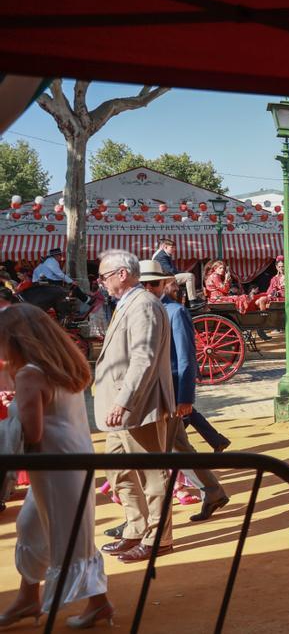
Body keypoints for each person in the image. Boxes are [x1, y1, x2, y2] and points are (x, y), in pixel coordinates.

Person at [0, 304, 114, 628]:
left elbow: (31, 432)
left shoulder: (29, 374)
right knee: (34, 526)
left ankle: (98, 603)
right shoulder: (61, 364)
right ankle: (28, 598)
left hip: (54, 466)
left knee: (69, 538)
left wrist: (10, 414)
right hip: (74, 459)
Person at [92, 249, 180, 564]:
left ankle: (159, 538)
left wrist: (124, 400)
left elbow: (142, 359)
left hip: (137, 406)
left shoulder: (143, 305)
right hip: (122, 407)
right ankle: (137, 527)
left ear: (122, 274)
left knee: (152, 474)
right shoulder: (131, 303)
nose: (100, 281)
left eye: (103, 275)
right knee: (118, 470)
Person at [140, 260, 231, 522]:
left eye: (153, 283)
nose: (148, 288)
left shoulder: (175, 312)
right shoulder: (152, 311)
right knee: (180, 447)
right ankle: (212, 492)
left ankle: (141, 516)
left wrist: (185, 397)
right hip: (156, 392)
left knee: (162, 451)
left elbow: (186, 358)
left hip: (169, 391)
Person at [151, 238, 200, 305]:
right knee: (189, 276)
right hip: (166, 279)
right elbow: (170, 271)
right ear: (165, 247)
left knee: (188, 276)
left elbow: (172, 270)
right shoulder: (162, 256)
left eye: (174, 248)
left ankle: (189, 301)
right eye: (172, 247)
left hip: (167, 277)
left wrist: (182, 272)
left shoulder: (165, 255)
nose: (174, 249)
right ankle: (192, 301)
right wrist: (183, 273)